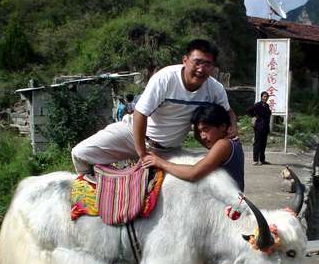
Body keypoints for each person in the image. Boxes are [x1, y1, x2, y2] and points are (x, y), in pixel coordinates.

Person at [142, 105, 246, 264]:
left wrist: (159, 162)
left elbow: (194, 173)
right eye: (199, 130)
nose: (203, 136)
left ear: (224, 127)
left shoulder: (224, 145)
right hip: (223, 223)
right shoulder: (226, 145)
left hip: (228, 225)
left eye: (207, 129)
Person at [71, 39, 237, 174]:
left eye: (207, 64)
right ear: (185, 60)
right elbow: (140, 114)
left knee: (199, 179)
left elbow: (228, 113)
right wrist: (142, 153)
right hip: (132, 135)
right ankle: (90, 199)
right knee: (80, 154)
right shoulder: (165, 78)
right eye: (197, 62)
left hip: (170, 150)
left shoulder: (215, 88)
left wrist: (233, 128)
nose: (201, 69)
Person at [246, 91, 272, 166]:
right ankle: (255, 160)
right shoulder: (258, 104)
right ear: (261, 97)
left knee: (263, 144)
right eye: (264, 96)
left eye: (267, 96)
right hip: (258, 127)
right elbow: (248, 110)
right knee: (257, 143)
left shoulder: (266, 105)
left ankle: (262, 160)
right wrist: (255, 115)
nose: (266, 98)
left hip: (265, 127)